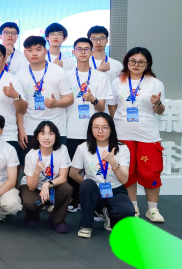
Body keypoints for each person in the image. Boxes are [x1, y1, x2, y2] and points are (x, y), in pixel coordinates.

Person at [113, 47, 165, 222]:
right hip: (123, 133)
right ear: (127, 61)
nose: (136, 65)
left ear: (147, 64)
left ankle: (153, 209)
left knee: (150, 172)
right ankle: (132, 206)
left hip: (147, 134)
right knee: (128, 172)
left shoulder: (155, 83)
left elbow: (160, 111)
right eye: (132, 61)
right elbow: (113, 107)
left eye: (141, 62)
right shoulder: (117, 82)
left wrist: (157, 103)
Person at [65, 37, 113, 213]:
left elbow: (102, 107)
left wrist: (93, 99)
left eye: (87, 49)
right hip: (71, 129)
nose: (83, 52)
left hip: (94, 131)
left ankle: (94, 203)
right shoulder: (66, 75)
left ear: (92, 52)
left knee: (93, 167)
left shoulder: (101, 77)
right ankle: (75, 198)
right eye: (79, 49)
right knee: (72, 168)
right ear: (73, 52)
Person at [70, 113, 136, 238]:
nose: (100, 131)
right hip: (94, 190)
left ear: (111, 129)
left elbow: (124, 179)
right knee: (87, 185)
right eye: (96, 127)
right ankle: (86, 225)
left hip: (115, 190)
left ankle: (108, 215)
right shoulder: (83, 148)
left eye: (105, 127)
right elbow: (73, 173)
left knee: (127, 213)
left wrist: (113, 162)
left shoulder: (122, 148)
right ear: (91, 129)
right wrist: (87, 187)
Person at [16, 36, 73, 156]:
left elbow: (70, 98)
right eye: (30, 50)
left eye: (38, 49)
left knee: (57, 164)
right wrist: (21, 130)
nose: (34, 53)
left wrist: (56, 103)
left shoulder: (58, 72)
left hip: (56, 128)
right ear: (25, 53)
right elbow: (19, 108)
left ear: (45, 51)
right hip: (29, 128)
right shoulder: (19, 75)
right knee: (29, 164)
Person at [21, 120, 73, 232]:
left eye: (51, 133)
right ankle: (32, 215)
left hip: (53, 185)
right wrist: (36, 172)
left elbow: (63, 177)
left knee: (66, 189)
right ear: (37, 137)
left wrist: (47, 185)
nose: (47, 137)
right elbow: (31, 186)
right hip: (33, 186)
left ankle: (57, 220)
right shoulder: (31, 155)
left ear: (56, 136)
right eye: (43, 133)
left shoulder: (62, 150)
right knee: (30, 202)